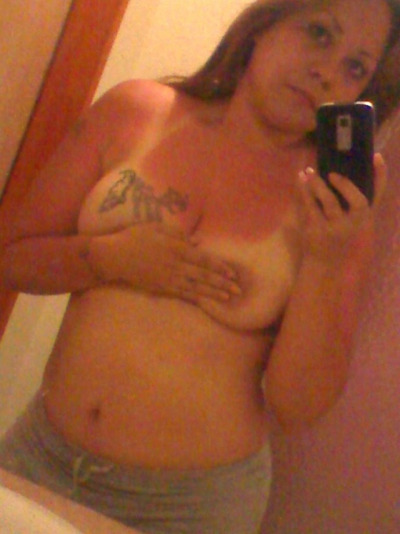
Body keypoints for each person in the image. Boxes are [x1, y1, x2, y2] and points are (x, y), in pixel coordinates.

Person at [0, 0, 399, 532]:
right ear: (262, 27)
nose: (328, 71)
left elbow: (298, 404)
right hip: (38, 459)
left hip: (187, 508)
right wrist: (107, 258)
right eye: (319, 33)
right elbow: (13, 258)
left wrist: (327, 259)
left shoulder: (334, 207)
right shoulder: (134, 110)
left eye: (355, 66)